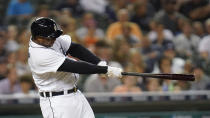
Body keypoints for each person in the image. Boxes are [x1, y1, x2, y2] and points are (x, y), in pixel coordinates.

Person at [28, 17, 122, 118]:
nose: (54, 39)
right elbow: (75, 67)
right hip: (57, 102)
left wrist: (99, 63)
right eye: (50, 37)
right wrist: (105, 70)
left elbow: (75, 48)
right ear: (38, 38)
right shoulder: (38, 55)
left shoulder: (50, 40)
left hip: (76, 94)